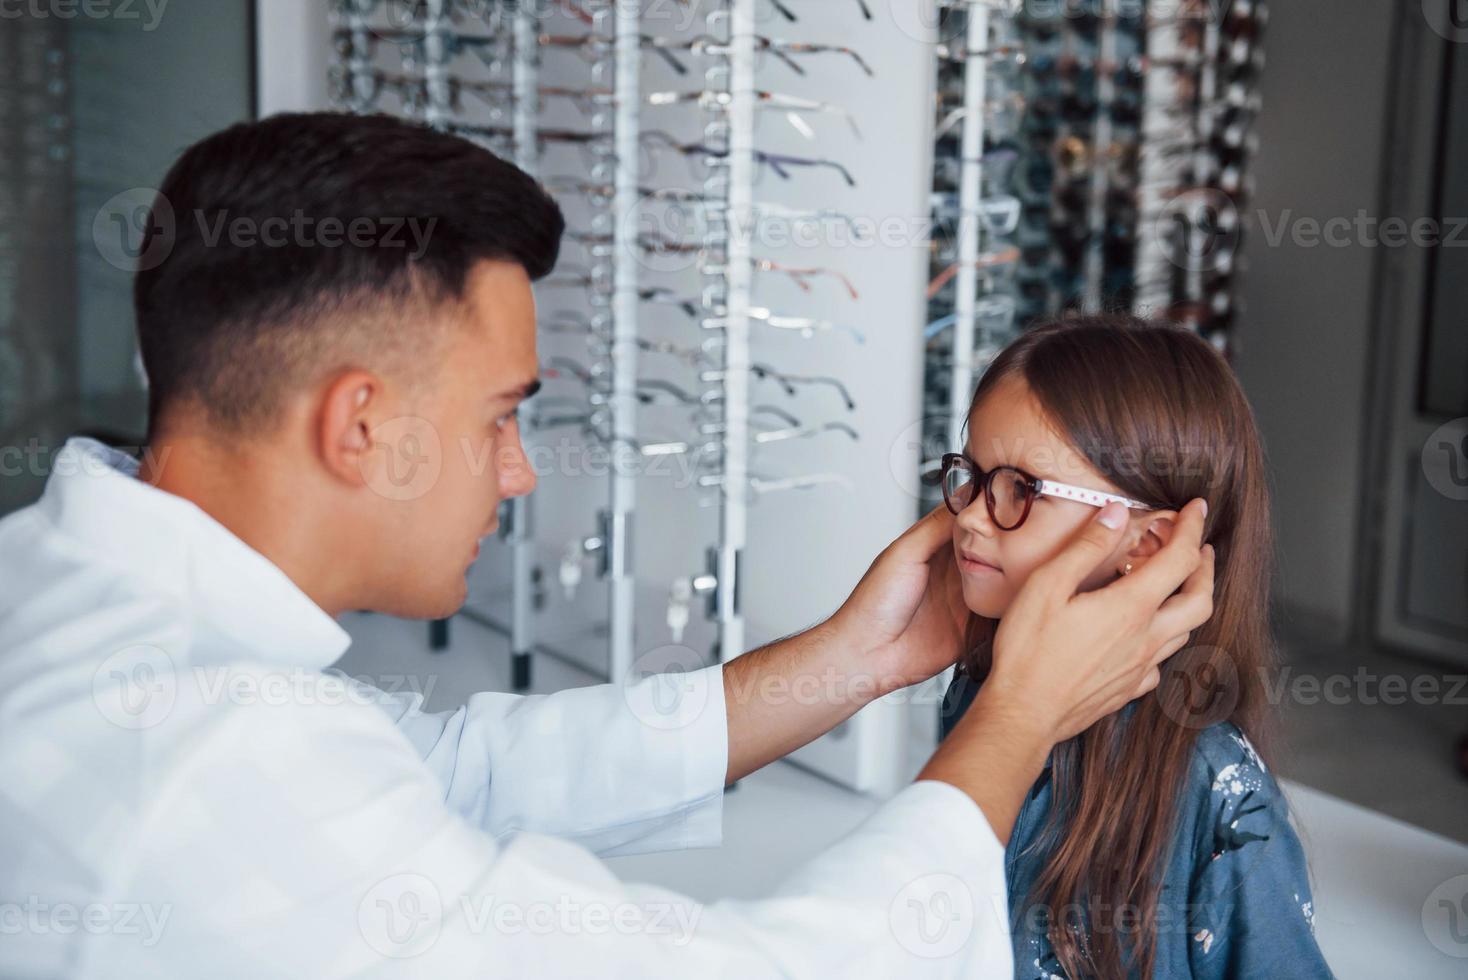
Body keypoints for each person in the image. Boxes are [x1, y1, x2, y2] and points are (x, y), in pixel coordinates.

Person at [0, 113, 1213, 978]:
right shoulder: (204, 767)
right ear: (361, 422)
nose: (521, 469)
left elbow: (451, 772)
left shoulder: (66, 592)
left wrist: (856, 659)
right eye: (503, 413)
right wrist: (1017, 723)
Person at [938, 316, 1333, 978]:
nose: (971, 515)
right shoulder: (977, 687)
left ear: (1146, 545)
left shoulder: (1218, 793)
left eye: (1020, 488)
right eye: (971, 475)